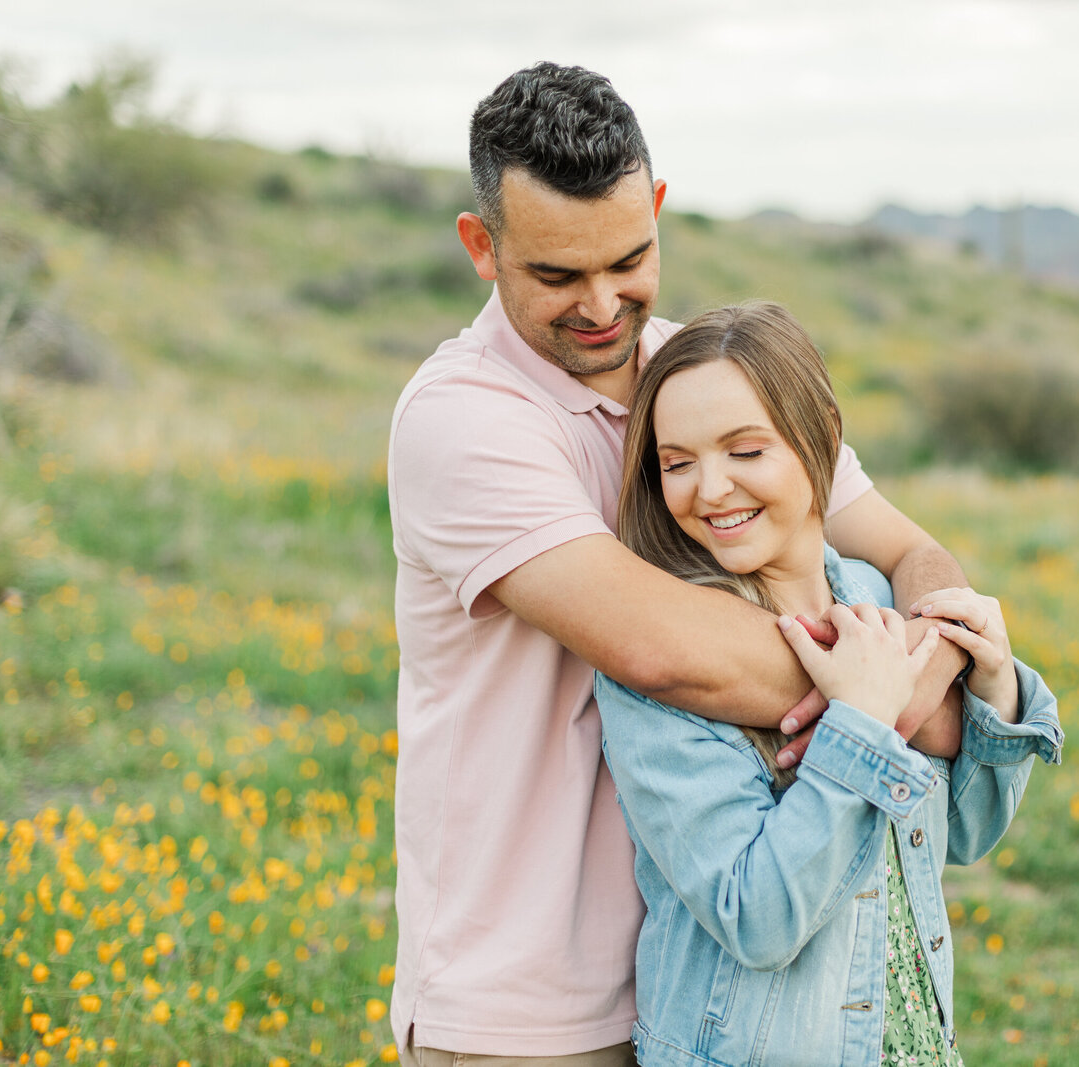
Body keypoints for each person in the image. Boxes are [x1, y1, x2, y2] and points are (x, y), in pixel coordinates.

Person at [386, 64, 974, 1065]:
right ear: (481, 246)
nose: (603, 304)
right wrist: (908, 697)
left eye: (628, 259)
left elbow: (908, 547)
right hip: (528, 1001)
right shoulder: (463, 419)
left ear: (656, 210)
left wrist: (941, 638)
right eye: (558, 276)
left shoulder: (705, 383)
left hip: (708, 980)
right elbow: (664, 650)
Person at [596, 302, 1063, 1066]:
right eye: (677, 461)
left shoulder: (883, 606)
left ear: (821, 443)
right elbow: (755, 917)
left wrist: (995, 682)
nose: (709, 489)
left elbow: (970, 829)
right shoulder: (663, 661)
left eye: (745, 450)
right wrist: (862, 726)